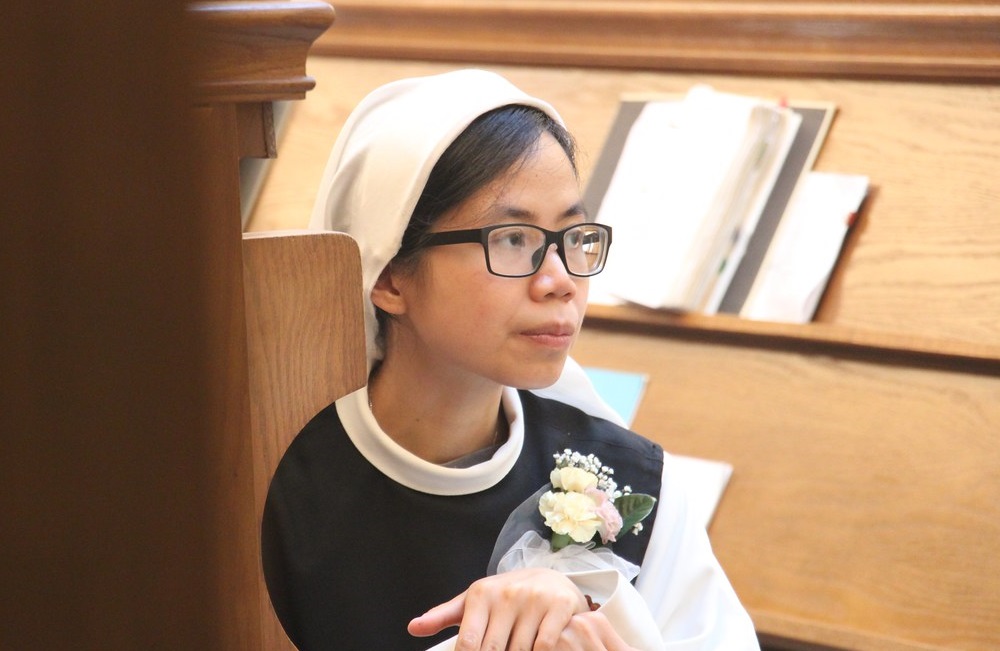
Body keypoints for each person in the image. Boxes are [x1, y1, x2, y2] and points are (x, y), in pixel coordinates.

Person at [261, 69, 760, 651]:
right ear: (390, 274)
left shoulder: (637, 484)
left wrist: (607, 618)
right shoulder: (274, 486)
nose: (561, 282)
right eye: (512, 240)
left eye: (574, 238)